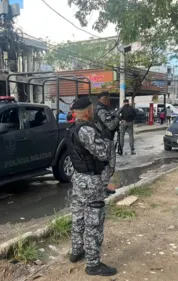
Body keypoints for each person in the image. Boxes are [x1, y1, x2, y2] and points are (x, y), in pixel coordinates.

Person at [66, 97, 117, 276]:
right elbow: (102, 153)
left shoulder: (73, 128)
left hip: (79, 178)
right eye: (92, 109)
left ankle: (76, 251)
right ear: (88, 112)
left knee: (78, 216)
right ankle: (93, 264)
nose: (94, 111)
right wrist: (109, 142)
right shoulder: (87, 130)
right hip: (91, 181)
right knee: (94, 221)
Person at [94, 92, 119, 192]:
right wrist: (117, 118)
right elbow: (111, 125)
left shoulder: (99, 109)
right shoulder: (102, 111)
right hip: (106, 140)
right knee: (109, 165)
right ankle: (103, 188)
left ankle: (104, 187)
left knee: (105, 164)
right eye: (108, 100)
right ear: (105, 100)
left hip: (103, 139)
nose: (109, 102)